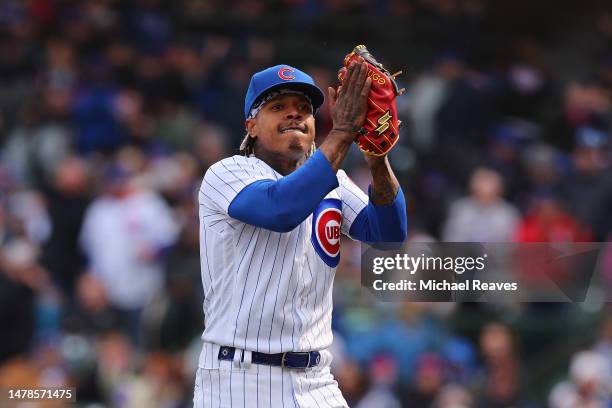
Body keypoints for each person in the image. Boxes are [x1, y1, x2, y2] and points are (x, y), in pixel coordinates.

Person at [194, 61, 407, 407]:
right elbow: (281, 209)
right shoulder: (227, 173)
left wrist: (377, 159)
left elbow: (388, 238)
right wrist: (342, 134)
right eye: (278, 107)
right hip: (240, 378)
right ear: (251, 125)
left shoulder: (331, 179)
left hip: (317, 380)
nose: (294, 115)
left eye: (304, 108)